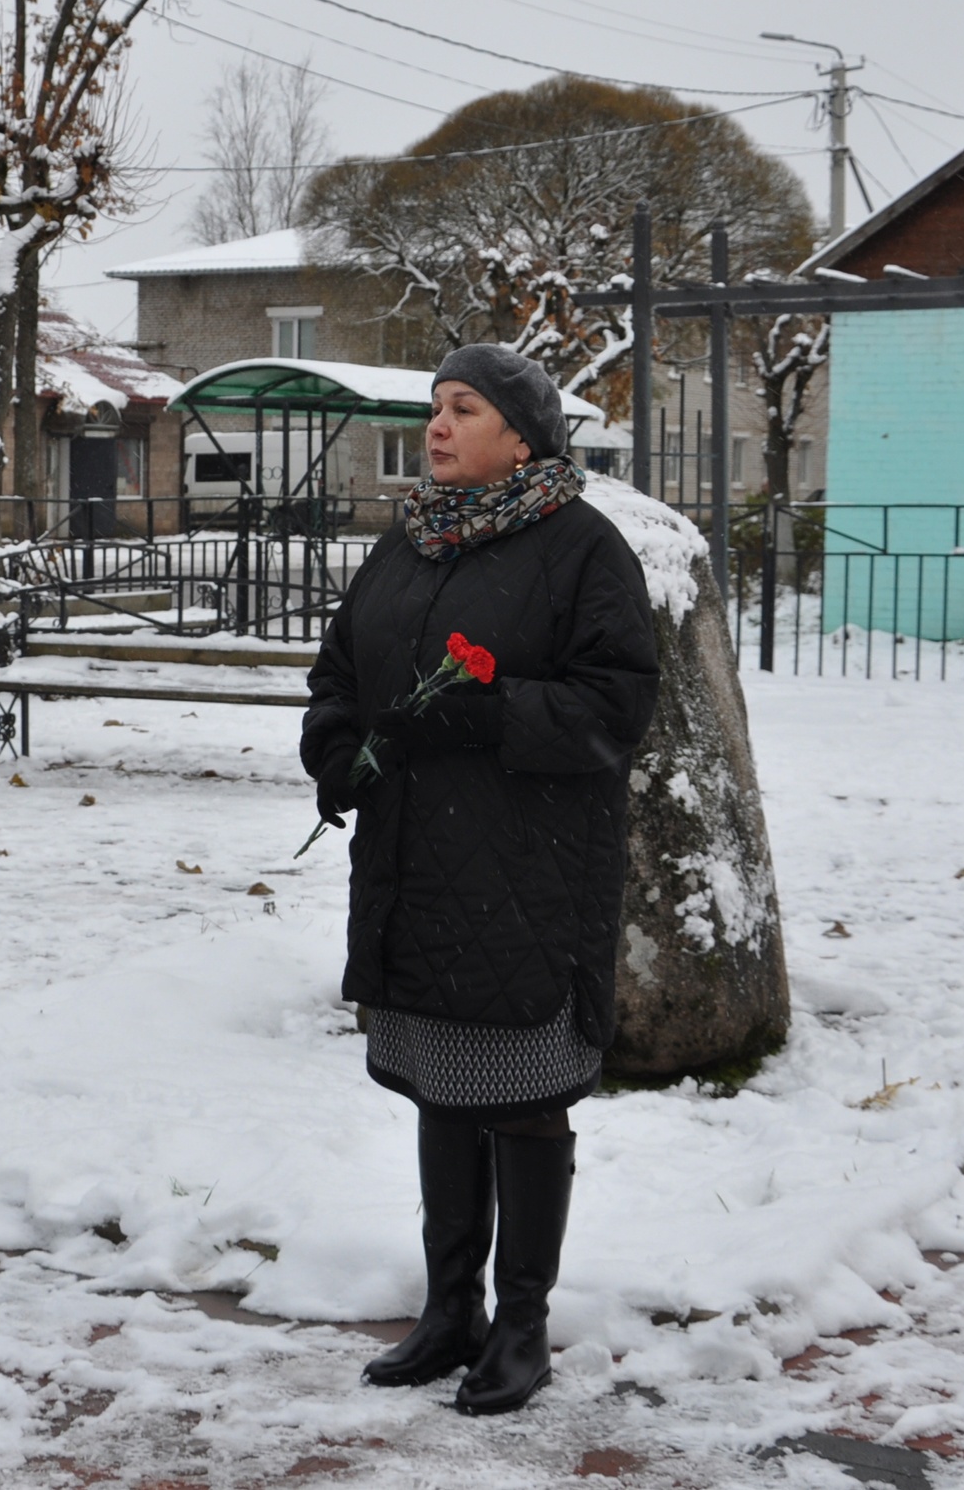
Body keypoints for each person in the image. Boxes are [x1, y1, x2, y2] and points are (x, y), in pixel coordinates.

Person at [300, 343, 659, 1416]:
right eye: (434, 406)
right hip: (413, 863)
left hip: (525, 874)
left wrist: (493, 714)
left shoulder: (583, 547)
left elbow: (616, 705)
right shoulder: (405, 543)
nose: (439, 424)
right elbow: (338, 671)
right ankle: (448, 1308)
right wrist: (332, 746)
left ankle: (521, 1322)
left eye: (463, 407)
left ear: (523, 431)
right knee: (441, 1091)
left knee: (523, 1098)